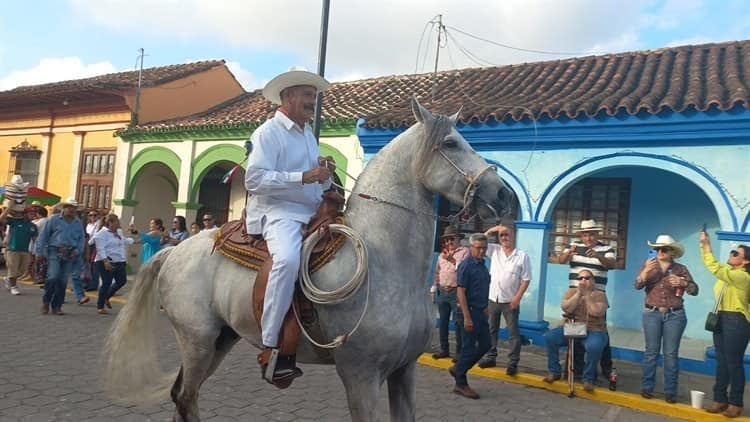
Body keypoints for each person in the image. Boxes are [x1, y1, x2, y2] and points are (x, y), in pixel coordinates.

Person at [243, 67, 333, 384]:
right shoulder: (268, 133)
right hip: (279, 213)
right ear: (289, 96)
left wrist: (325, 173)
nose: (313, 102)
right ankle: (270, 343)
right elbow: (253, 180)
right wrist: (303, 176)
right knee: (287, 260)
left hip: (312, 210)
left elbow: (317, 183)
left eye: (314, 96)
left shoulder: (308, 133)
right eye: (308, 95)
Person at [634, 234, 698, 403]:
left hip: (675, 315)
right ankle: (647, 387)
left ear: (672, 252)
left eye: (663, 249)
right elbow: (637, 285)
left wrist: (683, 283)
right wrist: (645, 271)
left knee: (670, 354)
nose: (659, 252)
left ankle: (670, 391)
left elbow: (694, 290)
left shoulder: (680, 269)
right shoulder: (648, 265)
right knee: (651, 352)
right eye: (657, 249)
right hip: (651, 313)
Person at [557, 219, 615, 380]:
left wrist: (598, 256)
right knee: (574, 331)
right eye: (585, 234)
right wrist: (568, 253)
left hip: (596, 298)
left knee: (599, 333)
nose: (588, 238)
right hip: (576, 296)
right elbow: (560, 260)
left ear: (596, 234)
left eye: (591, 234)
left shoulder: (606, 248)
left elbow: (611, 264)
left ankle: (607, 368)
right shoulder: (574, 246)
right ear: (581, 235)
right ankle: (574, 370)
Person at [700, 231, 750, 418]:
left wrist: (706, 246)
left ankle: (736, 402)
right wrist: (703, 245)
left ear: (746, 262)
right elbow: (714, 267)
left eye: (736, 254)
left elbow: (714, 267)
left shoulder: (743, 277)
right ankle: (720, 398)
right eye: (732, 252)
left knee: (733, 362)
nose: (731, 254)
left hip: (736, 320)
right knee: (721, 361)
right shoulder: (729, 275)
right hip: (721, 317)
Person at [478, 223, 531, 375]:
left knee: (513, 333)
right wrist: (492, 230)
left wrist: (517, 298)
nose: (504, 237)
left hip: (510, 301)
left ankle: (513, 363)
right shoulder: (494, 250)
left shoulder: (522, 256)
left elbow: (526, 279)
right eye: (501, 235)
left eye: (507, 234)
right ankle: (490, 357)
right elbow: (480, 240)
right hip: (493, 298)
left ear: (514, 236)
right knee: (491, 330)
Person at [543, 269, 609, 392]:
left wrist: (587, 296)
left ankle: (588, 379)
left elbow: (596, 312)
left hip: (594, 329)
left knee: (594, 346)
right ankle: (554, 371)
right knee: (550, 337)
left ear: (593, 281)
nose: (583, 280)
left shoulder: (600, 294)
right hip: (575, 327)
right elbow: (566, 308)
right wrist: (578, 294)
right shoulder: (571, 292)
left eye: (587, 278)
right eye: (580, 278)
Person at [449, 233, 492, 399]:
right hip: (468, 311)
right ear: (470, 248)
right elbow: (461, 291)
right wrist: (467, 317)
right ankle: (460, 384)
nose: (481, 251)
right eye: (478, 248)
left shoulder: (482, 265)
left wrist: (486, 307)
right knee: (468, 348)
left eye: (484, 248)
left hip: (481, 311)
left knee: (485, 344)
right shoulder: (466, 265)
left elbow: (481, 287)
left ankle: (459, 368)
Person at [35, 198, 86, 315]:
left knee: (63, 281)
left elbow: (81, 239)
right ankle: (46, 301)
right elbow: (43, 236)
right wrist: (39, 252)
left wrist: (77, 251)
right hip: (55, 251)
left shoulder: (78, 223)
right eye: (69, 207)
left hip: (70, 253)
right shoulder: (53, 219)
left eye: (73, 207)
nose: (71, 209)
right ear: (63, 207)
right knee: (53, 276)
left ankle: (57, 305)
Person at [430, 226, 470, 361]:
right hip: (443, 290)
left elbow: (464, 270)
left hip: (456, 291)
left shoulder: (464, 252)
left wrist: (452, 260)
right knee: (443, 322)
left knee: (459, 322)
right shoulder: (442, 254)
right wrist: (434, 288)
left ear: (458, 239)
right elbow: (437, 272)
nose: (449, 242)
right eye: (447, 239)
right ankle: (444, 349)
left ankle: (460, 353)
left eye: (452, 239)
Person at [93, 213, 134, 314]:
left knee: (122, 281)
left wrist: (133, 238)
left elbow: (123, 241)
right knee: (106, 282)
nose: (119, 224)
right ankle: (100, 306)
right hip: (106, 261)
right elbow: (100, 249)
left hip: (119, 261)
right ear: (110, 223)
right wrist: (105, 261)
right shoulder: (101, 234)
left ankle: (107, 297)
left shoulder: (118, 232)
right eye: (117, 222)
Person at [0, 206, 38, 295]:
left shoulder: (33, 226)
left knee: (22, 270)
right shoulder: (15, 222)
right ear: (24, 214)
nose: (33, 215)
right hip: (12, 250)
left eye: (34, 214)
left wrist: (38, 250)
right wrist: (10, 206)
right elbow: (1, 218)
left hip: (25, 251)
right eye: (31, 213)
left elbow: (35, 239)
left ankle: (8, 278)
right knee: (13, 269)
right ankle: (14, 287)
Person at [85, 209, 103, 291]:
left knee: (94, 265)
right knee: (88, 265)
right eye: (91, 215)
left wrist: (89, 243)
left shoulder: (99, 224)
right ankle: (87, 282)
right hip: (88, 244)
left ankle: (93, 284)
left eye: (95, 215)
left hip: (94, 245)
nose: (92, 217)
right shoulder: (88, 225)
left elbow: (96, 235)